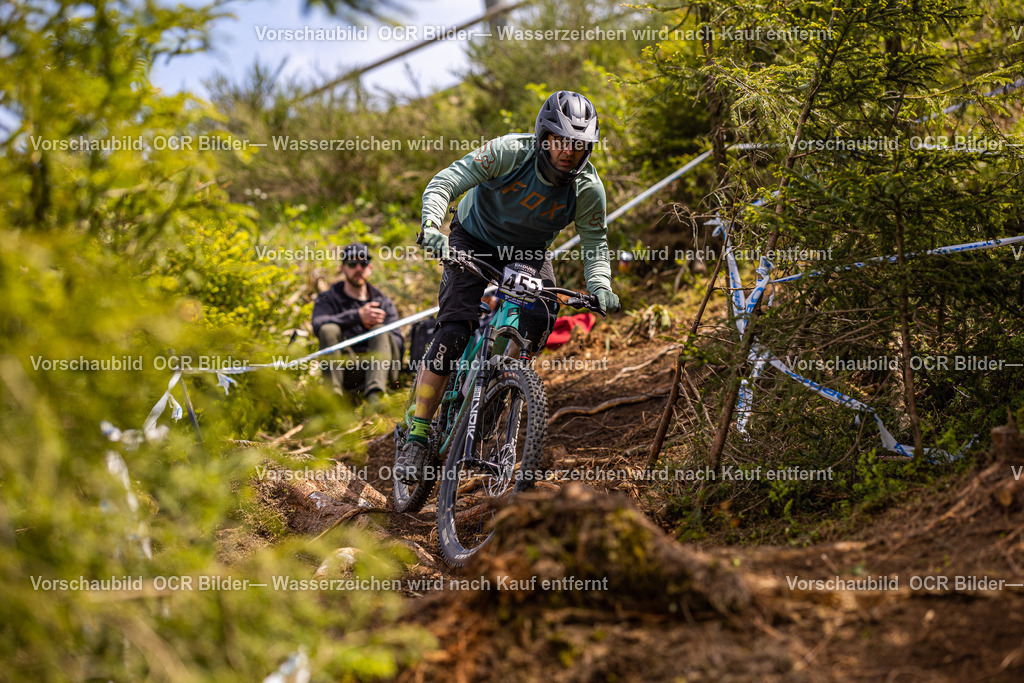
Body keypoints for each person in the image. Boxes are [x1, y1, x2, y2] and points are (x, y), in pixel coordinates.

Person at [395, 90, 620, 483]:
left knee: (541, 314)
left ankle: (498, 387)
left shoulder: (587, 188)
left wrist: (600, 285)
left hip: (527, 251)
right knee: (453, 329)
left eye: (579, 145)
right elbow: (447, 180)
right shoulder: (510, 152)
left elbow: (595, 244)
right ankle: (417, 433)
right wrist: (431, 226)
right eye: (561, 141)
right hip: (473, 238)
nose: (569, 152)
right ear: (544, 137)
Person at [311, 243, 403, 409]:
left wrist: (376, 331)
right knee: (328, 329)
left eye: (364, 263)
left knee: (380, 330)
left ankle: (375, 399)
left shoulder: (382, 301)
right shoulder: (329, 298)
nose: (359, 268)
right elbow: (317, 324)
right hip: (348, 367)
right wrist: (357, 316)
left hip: (381, 367)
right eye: (352, 264)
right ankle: (334, 400)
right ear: (342, 268)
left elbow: (398, 342)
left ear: (370, 268)